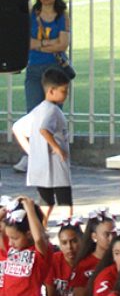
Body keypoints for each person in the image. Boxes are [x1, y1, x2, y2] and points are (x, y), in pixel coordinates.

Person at [17, 0, 69, 158]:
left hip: (55, 70)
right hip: (35, 67)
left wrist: (39, 43)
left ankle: (54, 151)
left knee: (53, 113)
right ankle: (32, 154)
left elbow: (63, 44)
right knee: (33, 112)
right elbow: (27, 42)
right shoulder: (32, 15)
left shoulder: (62, 15)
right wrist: (49, 43)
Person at [11, 67, 72, 221]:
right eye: (63, 91)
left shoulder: (38, 110)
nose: (66, 95)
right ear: (51, 91)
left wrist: (31, 151)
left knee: (46, 202)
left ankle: (40, 228)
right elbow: (44, 130)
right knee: (64, 201)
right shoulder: (53, 111)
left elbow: (17, 128)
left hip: (41, 166)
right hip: (56, 166)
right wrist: (57, 149)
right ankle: (67, 226)